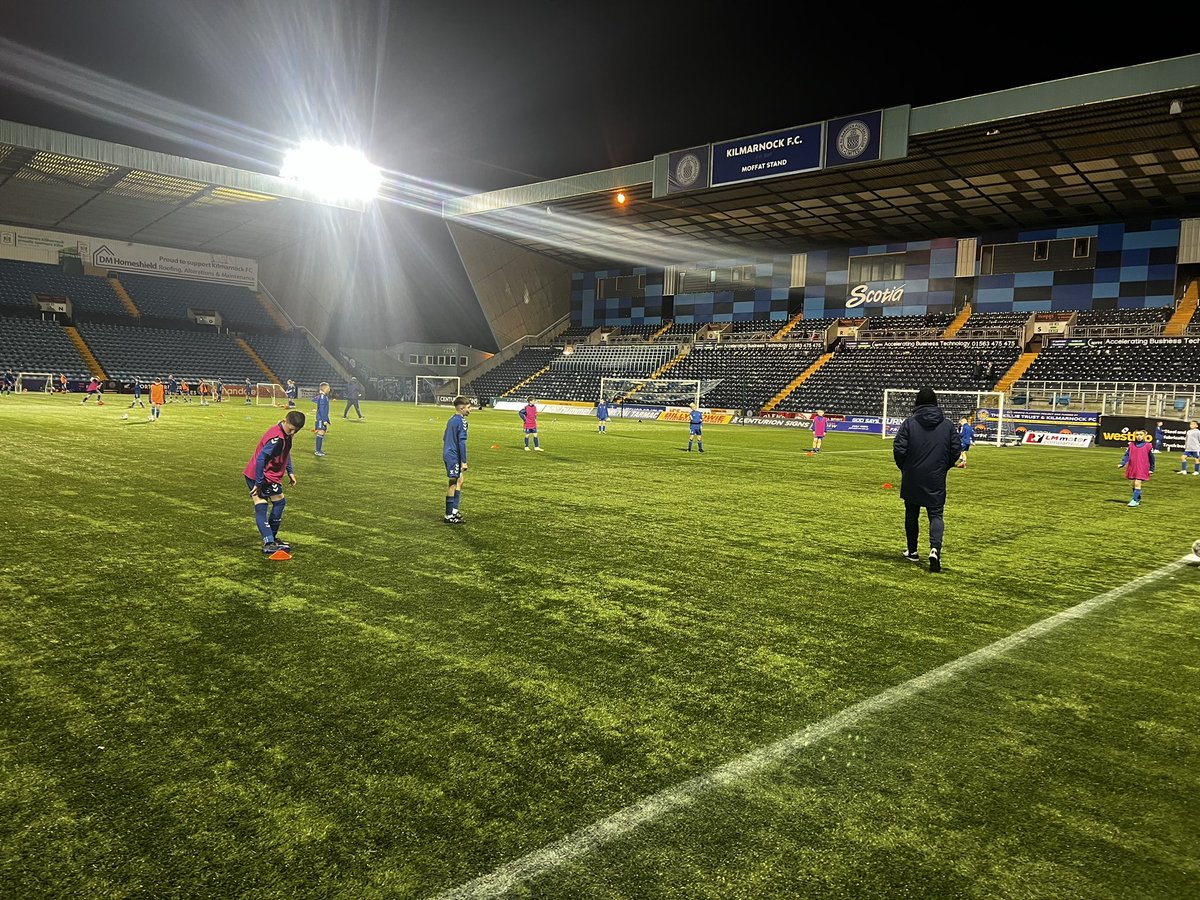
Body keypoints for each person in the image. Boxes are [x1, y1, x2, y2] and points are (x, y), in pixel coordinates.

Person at [893, 386, 961, 573]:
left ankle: (913, 551)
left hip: (913, 475)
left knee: (911, 513)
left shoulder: (909, 423)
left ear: (917, 403)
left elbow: (899, 449)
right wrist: (943, 466)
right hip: (936, 476)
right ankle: (934, 550)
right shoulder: (947, 424)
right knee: (936, 514)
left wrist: (906, 468)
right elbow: (956, 450)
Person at [243, 409, 305, 555]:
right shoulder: (276, 438)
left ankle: (272, 539)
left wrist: (290, 471)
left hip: (269, 475)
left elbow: (286, 452)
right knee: (262, 505)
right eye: (290, 429)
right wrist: (258, 483)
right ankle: (269, 542)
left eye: (295, 431)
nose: (292, 433)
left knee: (279, 502)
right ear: (285, 421)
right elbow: (260, 459)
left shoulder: (286, 434)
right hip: (259, 474)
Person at [442, 396, 470, 524]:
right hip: (453, 455)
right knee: (453, 483)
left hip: (449, 452)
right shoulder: (461, 421)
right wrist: (463, 460)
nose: (470, 410)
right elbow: (462, 442)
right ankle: (449, 515)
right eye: (468, 408)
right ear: (461, 408)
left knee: (460, 480)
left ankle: (454, 510)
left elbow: (445, 437)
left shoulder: (451, 420)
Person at [1118, 429, 1155, 507]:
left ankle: (1134, 500)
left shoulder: (1148, 446)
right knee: (1133, 484)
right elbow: (1127, 455)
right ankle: (1137, 499)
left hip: (1142, 467)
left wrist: (1151, 468)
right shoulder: (1131, 445)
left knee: (1137, 483)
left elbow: (1152, 458)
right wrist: (1122, 463)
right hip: (1132, 467)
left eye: (1141, 434)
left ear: (1145, 435)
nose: (1139, 436)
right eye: (1137, 434)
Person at [313, 381, 331, 457]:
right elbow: (322, 409)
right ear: (324, 389)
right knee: (320, 433)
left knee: (322, 433)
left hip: (322, 418)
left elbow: (325, 410)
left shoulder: (324, 397)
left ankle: (319, 450)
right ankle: (317, 451)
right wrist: (324, 420)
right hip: (320, 418)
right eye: (328, 388)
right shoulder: (322, 397)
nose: (329, 389)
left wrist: (328, 419)